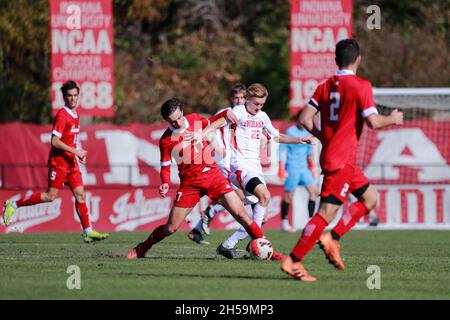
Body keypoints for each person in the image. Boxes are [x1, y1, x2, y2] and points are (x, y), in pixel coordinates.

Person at [280, 39, 403, 282]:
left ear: (336, 60)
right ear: (359, 59)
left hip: (338, 157)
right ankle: (293, 260)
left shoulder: (325, 86)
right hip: (342, 160)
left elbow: (305, 118)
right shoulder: (361, 86)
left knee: (370, 198)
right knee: (325, 212)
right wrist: (393, 118)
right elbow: (374, 122)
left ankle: (333, 238)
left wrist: (323, 136)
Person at [127, 98, 269, 259]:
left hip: (213, 177)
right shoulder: (166, 140)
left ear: (182, 112)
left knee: (242, 215)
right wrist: (165, 183)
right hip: (190, 185)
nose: (178, 123)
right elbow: (165, 165)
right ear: (166, 120)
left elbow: (214, 120)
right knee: (171, 228)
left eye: (179, 117)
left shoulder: (194, 120)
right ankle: (142, 248)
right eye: (173, 121)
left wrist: (227, 112)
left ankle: (266, 247)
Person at [2, 80, 109, 243]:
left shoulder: (76, 114)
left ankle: (88, 231)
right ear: (64, 97)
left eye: (75, 95)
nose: (73, 99)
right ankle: (13, 204)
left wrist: (79, 154)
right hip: (59, 163)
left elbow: (71, 139)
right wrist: (77, 151)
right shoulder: (62, 115)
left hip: (71, 162)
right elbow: (54, 141)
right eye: (69, 96)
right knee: (50, 196)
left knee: (81, 195)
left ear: (78, 95)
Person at [216, 83, 313, 259]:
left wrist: (300, 140)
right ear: (247, 100)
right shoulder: (237, 112)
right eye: (255, 104)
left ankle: (230, 243)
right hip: (240, 166)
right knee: (265, 196)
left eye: (261, 104)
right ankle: (256, 240)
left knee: (261, 216)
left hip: (255, 169)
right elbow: (218, 121)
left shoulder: (263, 117)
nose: (258, 107)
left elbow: (277, 136)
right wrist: (203, 132)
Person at [187, 83, 255, 245]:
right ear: (231, 99)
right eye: (236, 97)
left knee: (238, 198)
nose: (239, 100)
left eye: (242, 97)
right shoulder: (224, 113)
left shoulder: (248, 114)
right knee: (244, 198)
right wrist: (219, 149)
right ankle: (212, 213)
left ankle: (197, 230)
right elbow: (210, 132)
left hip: (239, 161)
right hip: (226, 162)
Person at [278, 111, 319, 232]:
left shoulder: (307, 133)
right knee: (288, 196)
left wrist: (313, 168)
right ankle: (284, 222)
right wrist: (281, 167)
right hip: (292, 168)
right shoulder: (290, 131)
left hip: (304, 169)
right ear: (298, 119)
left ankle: (310, 222)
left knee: (314, 192)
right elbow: (281, 149)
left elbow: (309, 153)